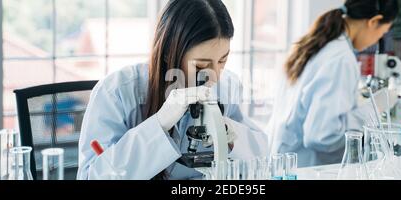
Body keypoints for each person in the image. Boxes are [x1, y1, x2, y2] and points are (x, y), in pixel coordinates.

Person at [77, 0, 267, 180]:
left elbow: (264, 154)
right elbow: (92, 176)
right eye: (201, 66)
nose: (215, 76)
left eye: (222, 61)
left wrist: (228, 135)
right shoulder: (115, 93)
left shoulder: (225, 87)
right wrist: (160, 124)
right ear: (169, 52)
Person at [267, 0, 399, 167]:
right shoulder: (341, 59)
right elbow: (322, 135)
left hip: (282, 160)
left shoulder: (319, 43)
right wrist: (373, 109)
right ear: (373, 22)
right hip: (303, 169)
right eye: (382, 33)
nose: (376, 41)